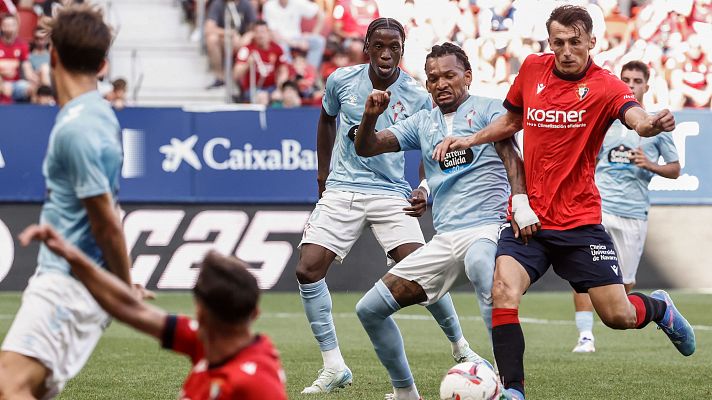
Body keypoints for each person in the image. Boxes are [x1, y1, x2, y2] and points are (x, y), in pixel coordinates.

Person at [433, 5, 695, 400]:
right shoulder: (533, 69)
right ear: (549, 42)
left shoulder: (606, 85)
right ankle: (514, 391)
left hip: (580, 223)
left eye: (576, 42)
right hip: (530, 220)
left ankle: (659, 309)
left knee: (618, 316)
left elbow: (635, 117)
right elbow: (511, 120)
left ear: (592, 41)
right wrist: (469, 139)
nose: (567, 50)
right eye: (559, 42)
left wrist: (651, 123)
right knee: (503, 289)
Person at [297, 18, 479, 394]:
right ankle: (333, 365)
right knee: (307, 269)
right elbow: (326, 120)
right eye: (377, 45)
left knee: (420, 266)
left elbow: (429, 144)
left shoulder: (415, 93)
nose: (385, 53)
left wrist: (424, 186)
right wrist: (322, 175)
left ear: (401, 50)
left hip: (390, 191)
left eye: (393, 47)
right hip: (343, 187)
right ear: (366, 46)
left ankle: (461, 347)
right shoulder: (341, 80)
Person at [354, 42, 533, 400]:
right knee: (369, 309)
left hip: (488, 225)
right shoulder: (423, 122)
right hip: (445, 237)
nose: (441, 83)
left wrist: (521, 202)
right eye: (433, 78)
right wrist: (370, 115)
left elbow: (511, 155)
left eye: (450, 75)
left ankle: (507, 382)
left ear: (467, 76)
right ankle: (405, 391)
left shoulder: (488, 110)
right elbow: (367, 146)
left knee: (483, 264)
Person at [0, 5, 140, 399]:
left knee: (8, 387)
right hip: (75, 280)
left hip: (66, 284)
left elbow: (105, 221)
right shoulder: (99, 115)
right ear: (103, 65)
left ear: (53, 56)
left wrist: (124, 291)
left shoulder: (77, 128)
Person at [19, 224, 288, 400]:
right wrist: (73, 257)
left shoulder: (254, 385)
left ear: (202, 312)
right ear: (255, 313)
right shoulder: (210, 343)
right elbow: (131, 309)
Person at [571, 60, 681, 353]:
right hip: (600, 207)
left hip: (633, 212)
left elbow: (675, 169)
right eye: (626, 80)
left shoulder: (656, 124)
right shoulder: (605, 119)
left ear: (646, 85)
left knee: (624, 284)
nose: (631, 85)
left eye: (636, 80)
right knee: (584, 272)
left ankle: (652, 308)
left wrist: (650, 165)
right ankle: (585, 336)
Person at [204, 0, 258, 89]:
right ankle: (220, 76)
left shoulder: (246, 4)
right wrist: (229, 33)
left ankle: (240, 82)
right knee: (212, 39)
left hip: (243, 40)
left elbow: (255, 27)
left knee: (251, 42)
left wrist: (246, 36)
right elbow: (209, 28)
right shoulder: (218, 4)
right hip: (225, 39)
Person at [233, 20, 289, 102]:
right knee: (262, 97)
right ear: (253, 34)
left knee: (289, 96)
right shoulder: (246, 50)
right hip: (252, 89)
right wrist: (247, 64)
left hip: (272, 87)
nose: (261, 35)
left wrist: (280, 89)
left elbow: (283, 71)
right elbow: (236, 75)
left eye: (263, 32)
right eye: (257, 32)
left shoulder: (277, 49)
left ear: (268, 33)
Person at [0, 13, 37, 103]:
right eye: (7, 25)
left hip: (16, 84)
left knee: (31, 88)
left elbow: (26, 66)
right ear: (2, 27)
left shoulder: (22, 45)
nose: (11, 28)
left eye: (13, 25)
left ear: (17, 27)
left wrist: (35, 80)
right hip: (1, 83)